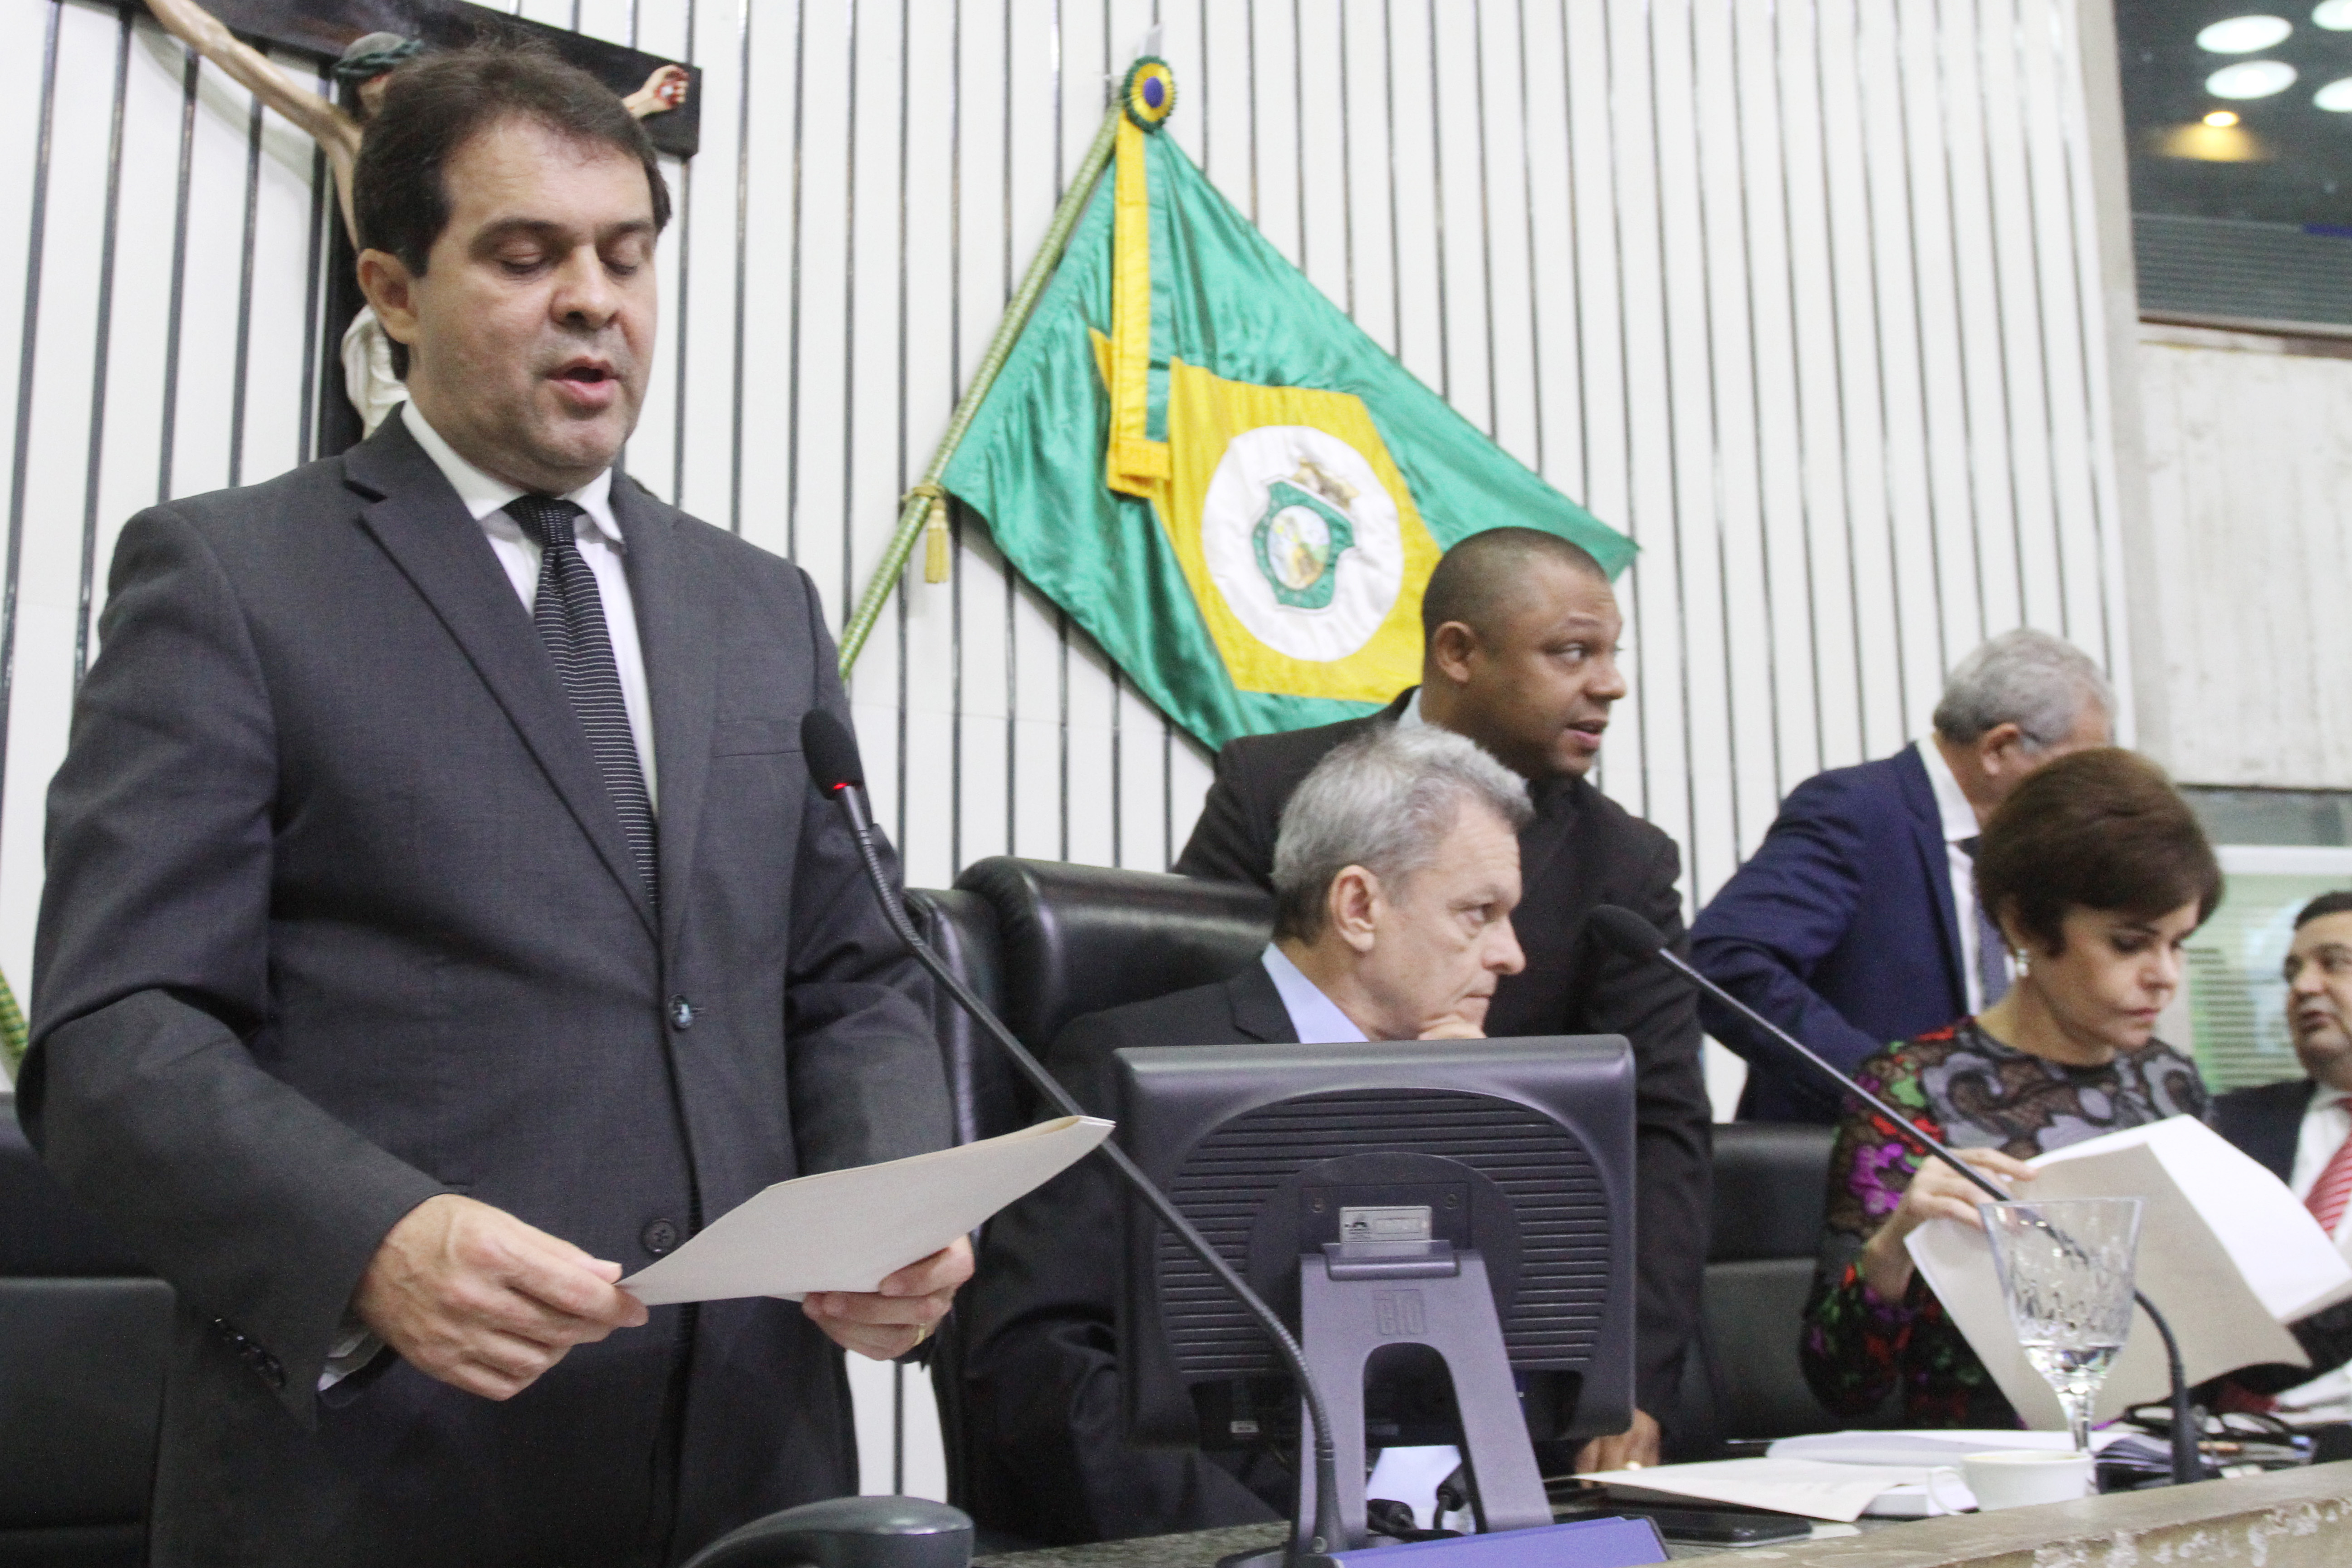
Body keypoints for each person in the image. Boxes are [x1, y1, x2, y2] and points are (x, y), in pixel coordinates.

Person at [19, 47, 962, 1567]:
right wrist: (367, 1239)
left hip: (747, 1464)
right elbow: (116, 1032)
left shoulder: (758, 608)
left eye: (625, 257)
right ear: (392, 292)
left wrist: (889, 1192)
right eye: (528, 258)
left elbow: (852, 974)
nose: (594, 301)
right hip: (393, 1471)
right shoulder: (235, 581)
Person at [1174, 526, 1710, 1471]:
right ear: (1458, 652)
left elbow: (1658, 1128)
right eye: (1571, 652)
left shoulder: (1622, 862)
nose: (1610, 685)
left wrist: (1623, 1372)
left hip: (1506, 1314)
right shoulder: (1272, 786)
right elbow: (1197, 1049)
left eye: (1611, 654)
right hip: (1272, 1295)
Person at [961, 725, 1532, 1544]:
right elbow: (1041, 1374)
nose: (1511, 955)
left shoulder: (1487, 1092)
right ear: (1359, 907)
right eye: (1479, 914)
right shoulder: (1133, 1066)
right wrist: (1268, 1551)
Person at [1798, 748, 2217, 1426]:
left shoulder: (2171, 1084)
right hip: (1981, 1470)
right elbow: (1840, 1385)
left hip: (2160, 1456)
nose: (2164, 975)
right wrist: (1893, 1247)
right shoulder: (1910, 1087)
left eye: (2178, 943)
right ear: (2025, 924)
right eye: (2130, 944)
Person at [142, 0, 690, 434]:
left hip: (439, 319)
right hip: (392, 322)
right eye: (522, 258)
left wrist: (643, 102)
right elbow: (226, 50)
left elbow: (552, 149)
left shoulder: (467, 155)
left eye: (622, 260)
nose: (381, 88)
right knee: (396, 439)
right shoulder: (345, 136)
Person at [1691, 629, 2114, 1124]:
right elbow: (1725, 963)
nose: (2082, 794)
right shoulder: (1859, 812)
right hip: (1858, 1155)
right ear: (2000, 748)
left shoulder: (2022, 848)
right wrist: (1888, 1088)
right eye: (2076, 769)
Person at [2211, 892, 2352, 1419]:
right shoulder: (2223, 1127)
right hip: (2221, 1437)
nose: (2303, 987)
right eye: (2293, 972)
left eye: (2334, 963)